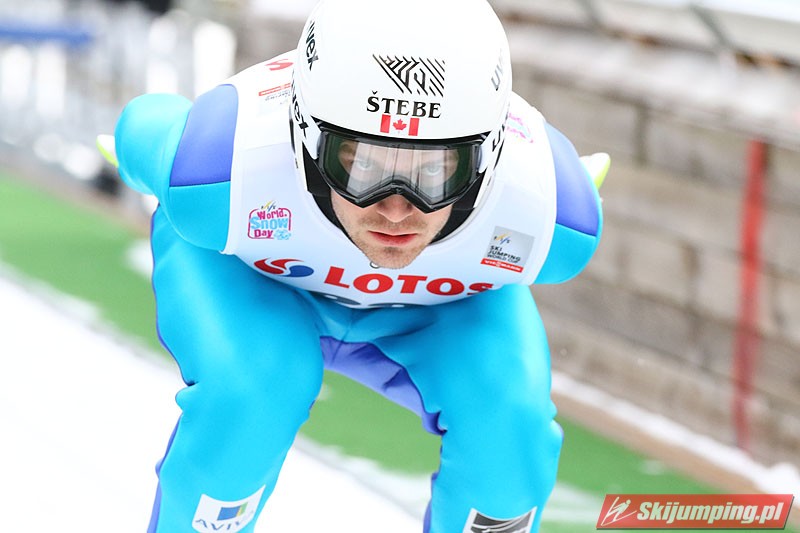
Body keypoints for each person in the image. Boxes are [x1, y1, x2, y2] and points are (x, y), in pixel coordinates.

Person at [110, 0, 606, 531]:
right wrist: (164, 157)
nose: (396, 210)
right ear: (304, 138)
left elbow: (139, 121)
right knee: (251, 392)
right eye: (362, 165)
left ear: (489, 159)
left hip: (406, 302)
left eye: (436, 171)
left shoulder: (552, 214)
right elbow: (149, 130)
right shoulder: (218, 169)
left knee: (511, 431)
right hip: (260, 285)